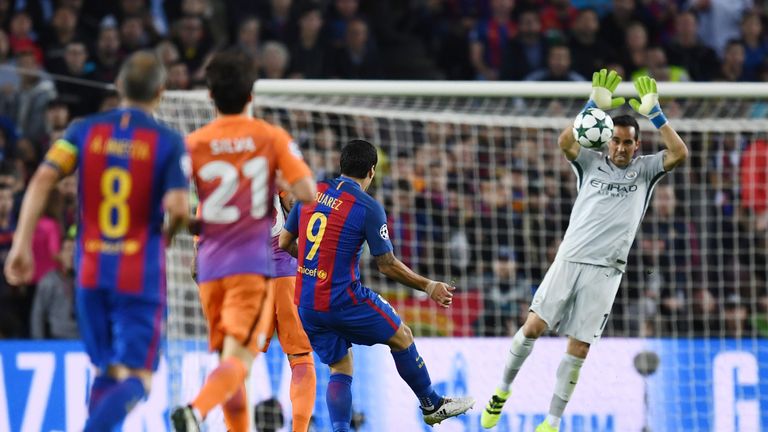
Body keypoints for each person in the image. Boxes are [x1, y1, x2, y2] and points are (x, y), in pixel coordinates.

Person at [480, 70, 688, 431]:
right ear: (607, 141)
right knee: (533, 327)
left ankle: (552, 421)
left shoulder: (645, 170)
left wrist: (657, 115)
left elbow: (679, 152)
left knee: (579, 348)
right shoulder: (590, 163)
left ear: (638, 145)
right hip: (569, 258)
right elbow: (565, 142)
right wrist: (592, 105)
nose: (622, 148)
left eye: (628, 143)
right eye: (617, 141)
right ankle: (502, 391)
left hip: (607, 271)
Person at [4, 51, 190, 431]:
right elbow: (179, 208)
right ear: (161, 90)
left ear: (118, 86)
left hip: (89, 272)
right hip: (139, 275)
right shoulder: (167, 141)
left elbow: (41, 179)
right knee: (140, 379)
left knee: (107, 369)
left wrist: (21, 245)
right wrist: (167, 234)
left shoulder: (81, 131)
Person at [279, 139, 474, 431]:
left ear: (341, 165)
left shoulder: (312, 191)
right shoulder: (368, 208)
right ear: (371, 171)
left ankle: (341, 429)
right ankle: (432, 404)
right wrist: (428, 285)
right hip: (343, 299)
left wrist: (315, 263)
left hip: (307, 303)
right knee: (402, 336)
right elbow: (386, 265)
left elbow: (285, 242)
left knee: (340, 366)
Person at [171, 49, 316, 432]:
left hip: (214, 263)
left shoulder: (193, 143)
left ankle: (209, 414)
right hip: (266, 258)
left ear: (209, 95)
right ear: (252, 94)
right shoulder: (270, 137)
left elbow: (177, 210)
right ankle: (199, 408)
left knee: (232, 360)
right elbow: (306, 194)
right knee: (300, 356)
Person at [261, 193, 316, 432]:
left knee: (237, 358)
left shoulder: (241, 172)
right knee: (301, 356)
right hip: (289, 277)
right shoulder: (283, 165)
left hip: (252, 280)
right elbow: (295, 201)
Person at [30, 233, 79, 339]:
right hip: (57, 338)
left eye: (75, 250)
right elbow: (38, 314)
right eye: (68, 249)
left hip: (83, 338)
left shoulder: (87, 282)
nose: (71, 254)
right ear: (59, 254)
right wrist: (38, 343)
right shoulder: (49, 281)